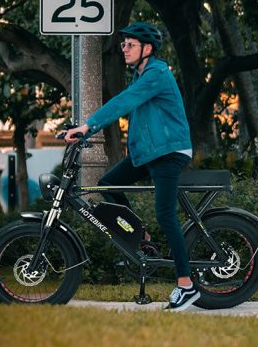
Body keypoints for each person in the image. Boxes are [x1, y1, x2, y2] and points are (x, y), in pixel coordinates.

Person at [60, 21, 198, 311]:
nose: (124, 48)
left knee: (166, 215)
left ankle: (186, 285)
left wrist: (88, 126)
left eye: (130, 44)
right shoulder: (142, 76)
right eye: (123, 44)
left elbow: (122, 103)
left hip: (168, 152)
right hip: (151, 153)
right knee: (108, 184)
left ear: (147, 48)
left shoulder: (156, 74)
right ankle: (143, 238)